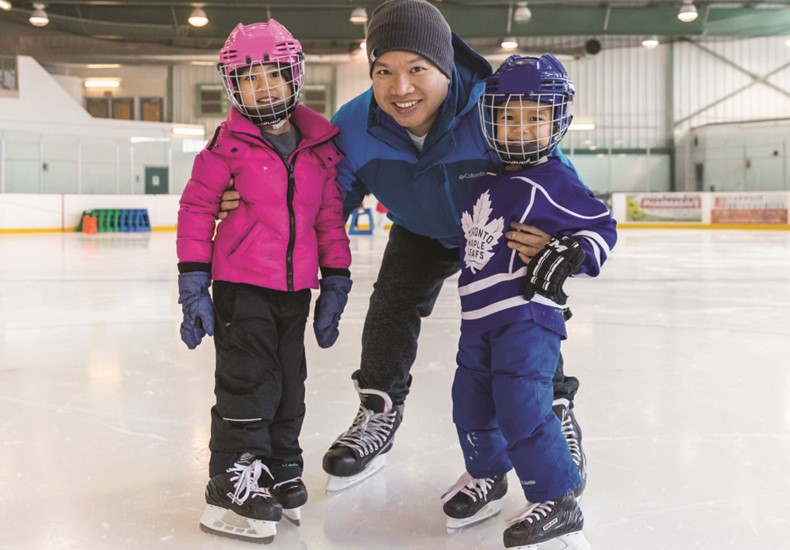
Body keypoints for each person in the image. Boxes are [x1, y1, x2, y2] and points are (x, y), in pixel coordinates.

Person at [219, 0, 588, 496]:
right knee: (391, 303)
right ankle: (378, 410)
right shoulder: (353, 127)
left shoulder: (492, 108)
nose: (401, 87)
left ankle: (556, 407)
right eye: (383, 70)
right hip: (422, 230)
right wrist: (255, 202)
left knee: (527, 316)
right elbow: (321, 200)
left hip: (500, 233)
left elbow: (553, 173)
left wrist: (563, 241)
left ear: (445, 65)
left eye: (418, 68)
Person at [176, 20, 352, 543]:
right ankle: (231, 476)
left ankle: (278, 462)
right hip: (242, 286)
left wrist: (337, 279)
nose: (265, 87)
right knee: (248, 381)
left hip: (295, 290)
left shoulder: (319, 149)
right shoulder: (225, 148)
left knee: (288, 381)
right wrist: (193, 282)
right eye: (250, 78)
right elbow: (195, 211)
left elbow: (327, 220)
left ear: (295, 76)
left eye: (275, 74)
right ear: (233, 86)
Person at [440, 53, 616, 549]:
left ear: (556, 119)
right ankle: (488, 475)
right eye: (509, 116)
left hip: (528, 317)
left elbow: (602, 229)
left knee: (521, 405)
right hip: (478, 318)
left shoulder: (557, 180)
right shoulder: (486, 180)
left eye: (535, 116)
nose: (520, 128)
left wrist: (565, 251)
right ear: (491, 118)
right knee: (470, 403)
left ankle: (557, 498)